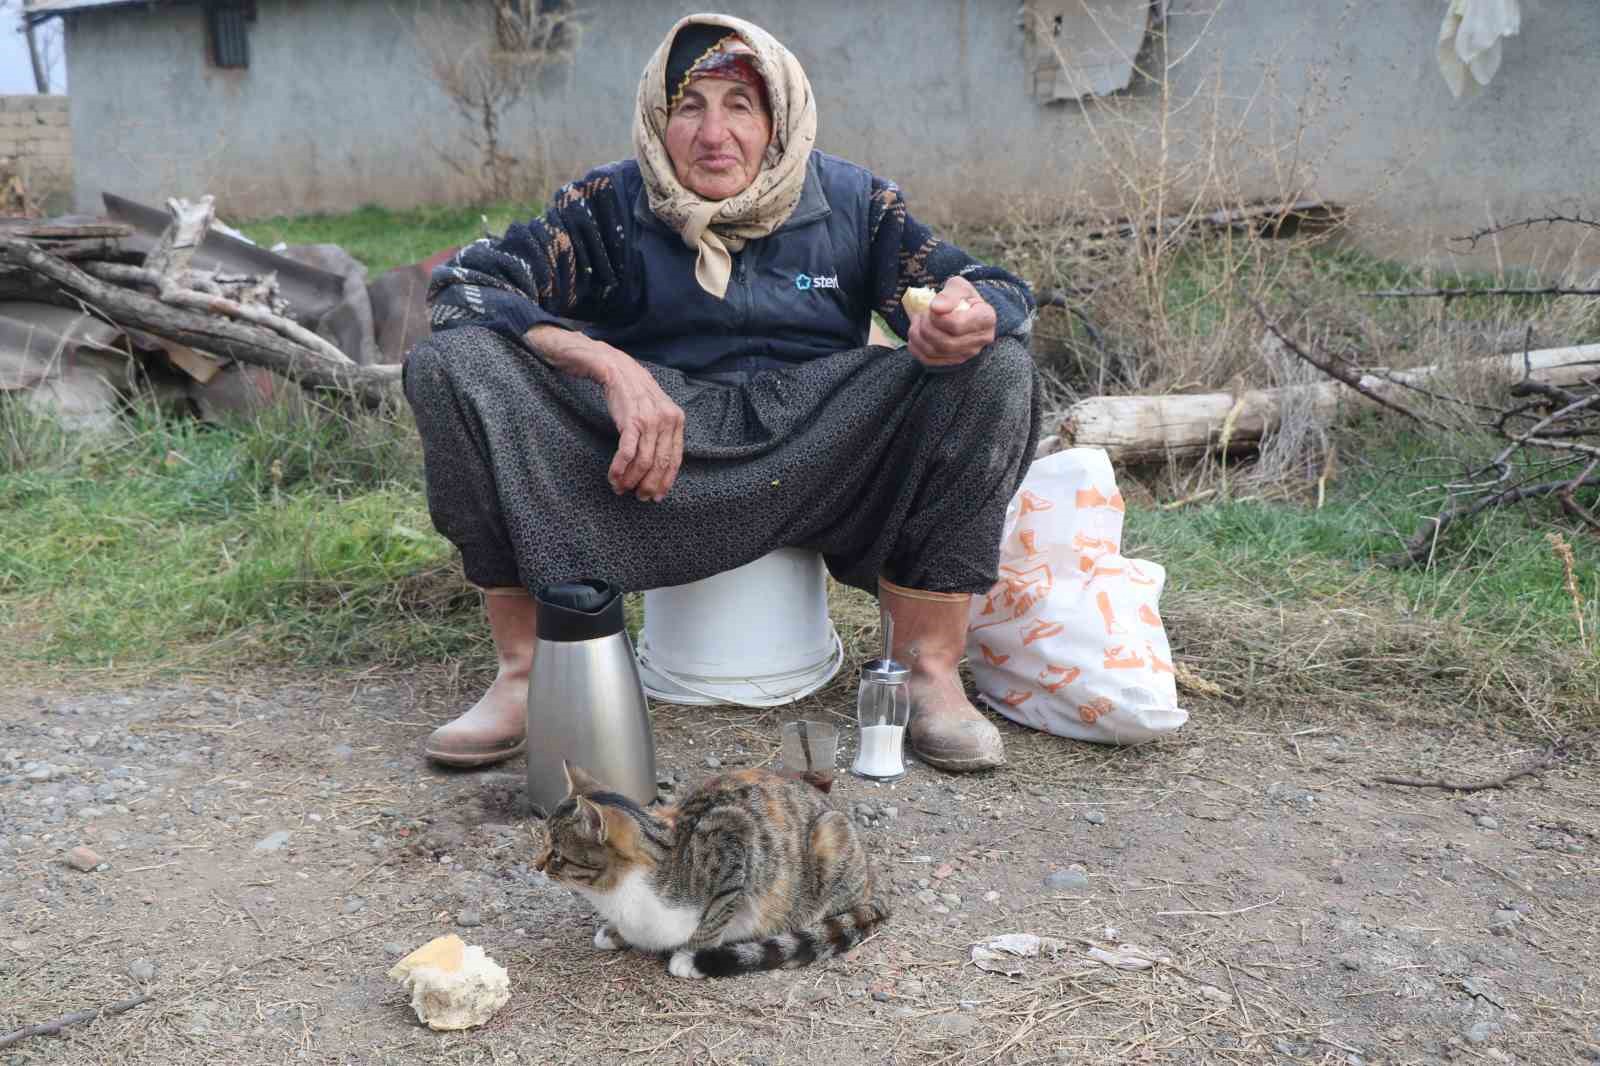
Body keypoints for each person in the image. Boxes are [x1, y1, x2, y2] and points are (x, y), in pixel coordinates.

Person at [405, 13, 1040, 775]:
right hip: (652, 460)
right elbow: (463, 287)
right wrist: (608, 364)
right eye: (689, 105)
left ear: (777, 121)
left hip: (824, 450)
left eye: (740, 105)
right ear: (656, 117)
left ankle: (925, 676)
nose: (714, 133)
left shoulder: (854, 203)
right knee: (450, 364)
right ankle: (529, 673)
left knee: (995, 365)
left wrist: (968, 316)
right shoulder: (607, 206)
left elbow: (1003, 290)